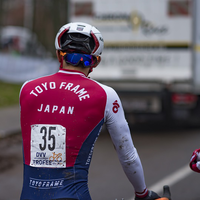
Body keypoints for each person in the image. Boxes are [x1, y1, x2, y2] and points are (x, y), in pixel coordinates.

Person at [20, 22, 160, 200]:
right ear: (96, 61)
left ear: (58, 55)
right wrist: (142, 193)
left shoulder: (26, 88)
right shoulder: (105, 95)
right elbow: (128, 155)